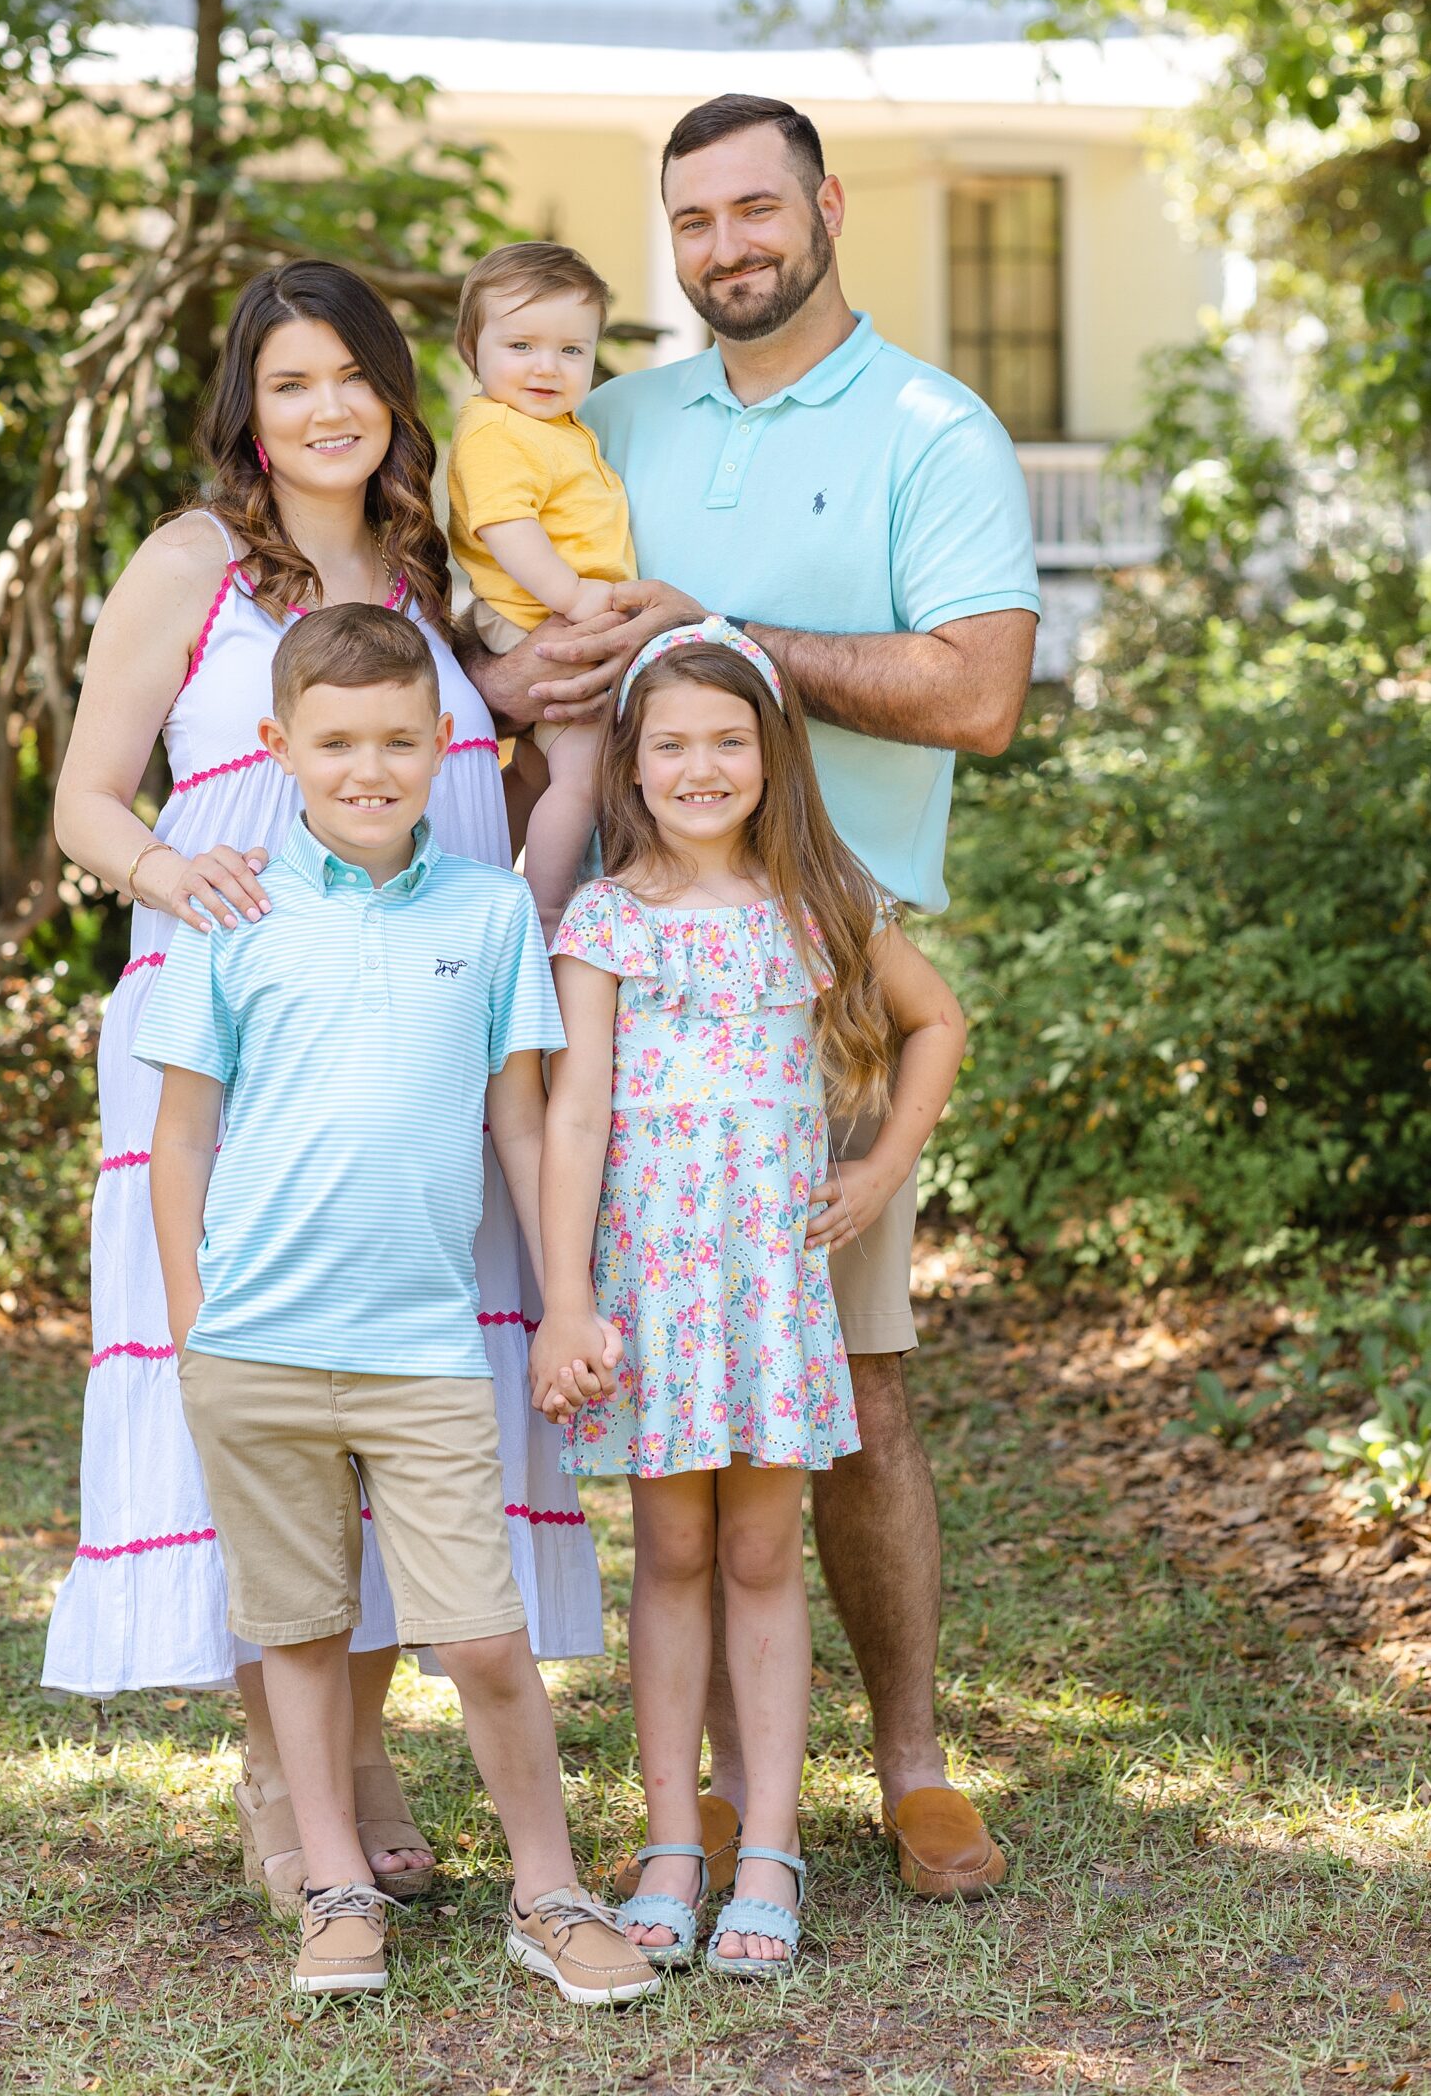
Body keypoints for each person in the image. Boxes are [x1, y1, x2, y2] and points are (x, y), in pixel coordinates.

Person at [465, 93, 1040, 1901]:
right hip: (627, 966)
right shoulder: (607, 413)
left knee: (849, 1393)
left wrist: (714, 635)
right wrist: (515, 659)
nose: (727, 245)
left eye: (754, 210)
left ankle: (912, 1765)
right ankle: (706, 1791)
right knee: (663, 1406)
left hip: (829, 972)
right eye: (693, 220)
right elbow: (503, 618)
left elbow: (977, 694)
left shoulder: (928, 428)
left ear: (824, 209)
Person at [41, 260, 602, 1915]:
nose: (326, 409)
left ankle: (357, 1763)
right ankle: (288, 1793)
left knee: (394, 1385)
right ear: (247, 409)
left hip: (427, 1053)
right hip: (234, 1037)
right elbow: (85, 794)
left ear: (393, 394)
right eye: (289, 384)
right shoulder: (191, 565)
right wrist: (165, 867)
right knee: (262, 1389)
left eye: (351, 376)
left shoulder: (437, 573)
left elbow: (499, 762)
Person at [137, 604, 655, 2004]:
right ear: (278, 746)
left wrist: (564, 1304)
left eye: (396, 741)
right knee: (301, 1632)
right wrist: (193, 1332)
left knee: (479, 1635)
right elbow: (180, 1139)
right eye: (336, 742)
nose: (368, 767)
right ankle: (334, 1887)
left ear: (443, 746)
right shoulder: (230, 910)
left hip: (421, 1351)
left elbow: (527, 1130)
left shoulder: (486, 917)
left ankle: (547, 1893)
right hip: (255, 1348)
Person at [531, 621, 966, 1977]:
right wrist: (561, 1299)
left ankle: (768, 1850)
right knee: (666, 1561)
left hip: (769, 1290)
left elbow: (935, 1020)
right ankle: (673, 1844)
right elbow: (573, 1112)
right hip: (651, 1290)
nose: (700, 767)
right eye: (671, 744)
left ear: (769, 757)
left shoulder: (815, 906)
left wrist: (879, 1167)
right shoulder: (606, 915)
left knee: (761, 1557)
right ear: (633, 761)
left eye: (727, 742)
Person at [446, 241, 635, 938]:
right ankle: (548, 914)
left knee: (533, 765)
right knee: (582, 773)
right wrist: (575, 597)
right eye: (520, 344)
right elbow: (506, 528)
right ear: (473, 348)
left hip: (547, 610)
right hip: (528, 614)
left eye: (570, 351)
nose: (545, 367)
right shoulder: (497, 429)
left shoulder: (552, 428)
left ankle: (472, 874)